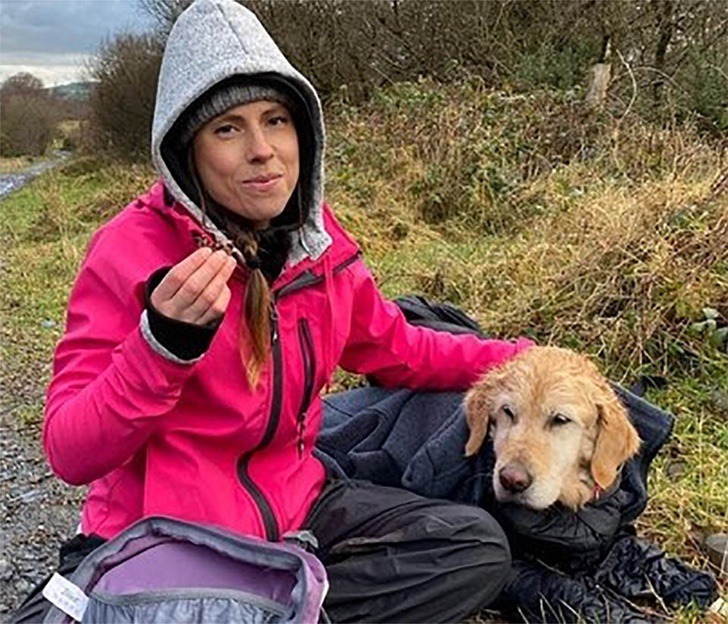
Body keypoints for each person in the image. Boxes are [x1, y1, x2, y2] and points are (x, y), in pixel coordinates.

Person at [12, 0, 534, 622]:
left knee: (471, 548)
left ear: (303, 131)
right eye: (228, 128)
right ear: (188, 152)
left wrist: (524, 360)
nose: (263, 150)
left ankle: (263, 605)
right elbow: (71, 452)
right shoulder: (127, 251)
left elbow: (399, 348)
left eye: (277, 120)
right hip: (172, 538)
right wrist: (160, 346)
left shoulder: (321, 244)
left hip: (299, 510)